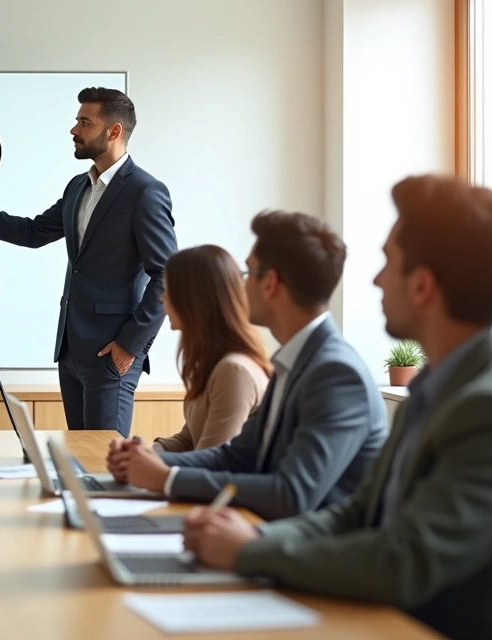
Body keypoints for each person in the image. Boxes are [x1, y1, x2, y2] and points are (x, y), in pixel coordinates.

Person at [183, 175, 492, 640]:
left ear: (424, 285)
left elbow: (404, 560)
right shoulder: (430, 392)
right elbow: (355, 514)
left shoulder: (481, 408)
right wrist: (259, 540)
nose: (375, 279)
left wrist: (250, 553)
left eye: (389, 263)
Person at [107, 211, 387, 521]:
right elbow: (237, 454)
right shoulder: (295, 361)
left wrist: (166, 478)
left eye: (248, 273)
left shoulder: (336, 374)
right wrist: (149, 461)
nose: (239, 287)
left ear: (270, 283)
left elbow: (292, 494)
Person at [0, 87, 176, 436]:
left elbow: (167, 276)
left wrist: (132, 343)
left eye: (84, 122)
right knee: (80, 459)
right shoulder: (77, 187)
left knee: (102, 463)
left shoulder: (145, 192)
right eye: (76, 121)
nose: (74, 130)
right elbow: (34, 232)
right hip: (71, 351)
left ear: (113, 131)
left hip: (113, 353)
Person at [152, 245, 271, 452]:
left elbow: (210, 460)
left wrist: (145, 463)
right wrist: (142, 452)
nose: (162, 298)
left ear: (193, 300)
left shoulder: (234, 371)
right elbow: (188, 440)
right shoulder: (213, 362)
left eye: (169, 290)